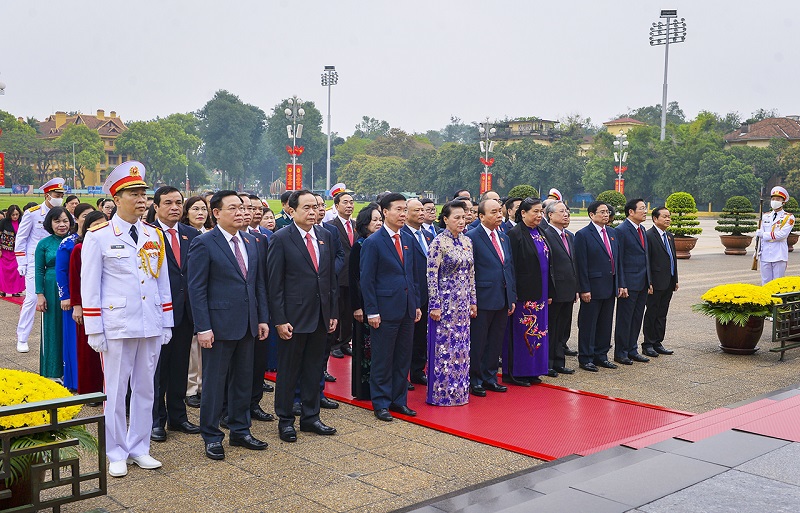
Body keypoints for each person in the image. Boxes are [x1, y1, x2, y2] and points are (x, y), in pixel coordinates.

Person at [81, 161, 174, 477]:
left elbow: (162, 281)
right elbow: (90, 285)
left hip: (150, 323)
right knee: (117, 390)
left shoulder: (152, 234)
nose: (141, 200)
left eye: (143, 193)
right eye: (133, 193)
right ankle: (116, 451)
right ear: (116, 198)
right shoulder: (100, 236)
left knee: (146, 389)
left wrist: (167, 321)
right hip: (117, 325)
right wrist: (94, 328)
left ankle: (139, 447)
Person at [188, 190, 270, 460]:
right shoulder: (205, 243)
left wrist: (261, 318)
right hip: (218, 326)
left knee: (243, 381)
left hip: (247, 324)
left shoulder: (250, 241)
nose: (240, 213)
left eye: (242, 208)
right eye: (233, 208)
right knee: (214, 383)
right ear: (216, 213)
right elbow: (196, 289)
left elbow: (257, 284)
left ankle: (240, 429)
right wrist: (203, 327)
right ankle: (211, 435)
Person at [267, 189, 338, 443]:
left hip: (320, 315)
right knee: (289, 371)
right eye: (306, 208)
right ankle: (286, 420)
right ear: (291, 210)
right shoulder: (281, 238)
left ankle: (311, 417)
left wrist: (332, 313)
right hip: (293, 318)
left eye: (315, 207)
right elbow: (274, 284)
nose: (312, 212)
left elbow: (329, 278)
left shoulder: (326, 236)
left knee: (313, 368)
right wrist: (279, 319)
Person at [361, 193, 422, 422]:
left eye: (405, 209)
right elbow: (367, 280)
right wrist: (372, 311)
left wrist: (415, 304)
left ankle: (399, 400)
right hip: (384, 310)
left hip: (406, 308)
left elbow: (413, 275)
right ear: (385, 212)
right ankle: (381, 403)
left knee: (402, 357)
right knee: (383, 358)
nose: (402, 214)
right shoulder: (373, 242)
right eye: (398, 209)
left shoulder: (407, 239)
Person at [150, 187, 202, 443]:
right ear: (156, 207)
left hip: (185, 312)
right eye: (168, 203)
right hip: (158, 313)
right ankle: (156, 420)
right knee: (159, 369)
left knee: (180, 366)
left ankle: (179, 417)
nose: (174, 207)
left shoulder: (192, 234)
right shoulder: (147, 234)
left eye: (178, 203)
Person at [426, 200, 475, 405]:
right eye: (457, 217)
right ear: (445, 219)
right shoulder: (438, 242)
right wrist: (434, 304)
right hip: (445, 304)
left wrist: (473, 300)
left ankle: (460, 392)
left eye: (463, 217)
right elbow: (431, 275)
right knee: (444, 348)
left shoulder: (467, 241)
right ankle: (442, 393)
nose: (461, 221)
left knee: (462, 348)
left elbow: (472, 273)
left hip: (463, 305)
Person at [465, 198, 515, 394]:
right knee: (479, 341)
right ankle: (475, 379)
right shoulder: (472, 237)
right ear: (481, 216)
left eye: (499, 211)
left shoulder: (504, 237)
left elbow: (508, 268)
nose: (498, 215)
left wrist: (511, 296)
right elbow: (469, 271)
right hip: (482, 297)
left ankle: (490, 377)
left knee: (495, 340)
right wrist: (472, 300)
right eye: (493, 212)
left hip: (502, 297)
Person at [15, 177, 66, 353]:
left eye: (61, 194)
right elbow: (21, 239)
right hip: (33, 262)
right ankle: (22, 337)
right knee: (31, 299)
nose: (60, 197)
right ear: (47, 195)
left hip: (55, 262)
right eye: (56, 194)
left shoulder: (62, 214)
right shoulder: (33, 213)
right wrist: (21, 262)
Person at [505, 198, 550, 385]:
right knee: (522, 331)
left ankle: (534, 370)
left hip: (541, 291)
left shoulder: (540, 232)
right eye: (535, 212)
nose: (539, 215)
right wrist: (513, 294)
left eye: (541, 212)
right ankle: (517, 372)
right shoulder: (514, 234)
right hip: (524, 294)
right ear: (523, 213)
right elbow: (510, 266)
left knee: (539, 331)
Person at [574, 201, 619, 373]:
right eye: (602, 212)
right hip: (592, 287)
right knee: (588, 324)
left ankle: (601, 355)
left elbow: (616, 260)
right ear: (592, 215)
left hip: (609, 286)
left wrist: (619, 284)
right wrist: (584, 288)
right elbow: (581, 264)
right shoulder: (583, 235)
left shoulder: (612, 233)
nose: (606, 215)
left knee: (605, 323)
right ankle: (586, 357)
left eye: (607, 212)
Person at [55, 203, 95, 390]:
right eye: (84, 216)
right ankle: (75, 380)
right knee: (74, 340)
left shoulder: (97, 240)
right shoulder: (68, 243)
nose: (87, 219)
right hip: (74, 299)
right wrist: (66, 296)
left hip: (93, 298)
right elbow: (61, 271)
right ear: (77, 219)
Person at [69, 210, 107, 397]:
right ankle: (90, 391)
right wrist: (78, 306)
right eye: (96, 225)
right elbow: (75, 279)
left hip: (108, 305)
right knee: (88, 350)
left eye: (104, 224)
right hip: (87, 306)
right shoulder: (79, 249)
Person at [36, 207, 74, 381]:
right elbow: (38, 270)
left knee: (71, 329)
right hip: (51, 289)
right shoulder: (44, 244)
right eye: (57, 221)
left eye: (65, 221)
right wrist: (40, 294)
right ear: (50, 223)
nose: (62, 225)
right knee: (52, 329)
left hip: (72, 285)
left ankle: (71, 372)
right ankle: (52, 371)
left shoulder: (75, 240)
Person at [350, 203, 383, 399]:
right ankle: (363, 389)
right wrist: (356, 306)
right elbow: (354, 277)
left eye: (380, 219)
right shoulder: (360, 244)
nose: (378, 223)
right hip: (363, 303)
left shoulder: (382, 242)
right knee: (364, 346)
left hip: (380, 301)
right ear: (365, 223)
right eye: (374, 220)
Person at [181, 195, 211, 409]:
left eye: (203, 209)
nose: (200, 213)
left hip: (211, 296)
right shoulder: (184, 235)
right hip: (190, 296)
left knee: (206, 346)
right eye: (195, 209)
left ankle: (203, 385)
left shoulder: (211, 235)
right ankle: (191, 388)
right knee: (192, 346)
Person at [614, 198, 652, 366]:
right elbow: (619, 259)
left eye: (645, 208)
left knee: (637, 318)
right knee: (625, 318)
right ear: (631, 211)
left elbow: (646, 258)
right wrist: (621, 283)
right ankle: (620, 352)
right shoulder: (621, 230)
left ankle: (632, 349)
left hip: (642, 282)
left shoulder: (642, 229)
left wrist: (649, 281)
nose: (645, 211)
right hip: (628, 283)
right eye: (642, 208)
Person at [542, 201, 578, 375]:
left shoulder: (569, 236)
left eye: (567, 212)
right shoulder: (545, 234)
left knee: (563, 328)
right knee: (552, 328)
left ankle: (559, 361)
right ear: (550, 215)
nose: (566, 214)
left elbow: (573, 263)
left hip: (568, 290)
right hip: (554, 291)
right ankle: (547, 363)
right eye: (562, 211)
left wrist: (576, 288)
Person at [402, 198, 434, 387]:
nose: (422, 213)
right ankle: (403, 374)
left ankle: (417, 370)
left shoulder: (429, 236)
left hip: (428, 292)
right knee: (409, 337)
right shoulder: (404, 235)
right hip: (412, 292)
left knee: (422, 335)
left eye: (423, 210)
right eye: (417, 210)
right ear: (406, 213)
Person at [643, 207, 677, 358]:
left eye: (669, 216)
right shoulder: (649, 236)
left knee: (662, 313)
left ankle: (658, 342)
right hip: (655, 283)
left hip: (668, 281)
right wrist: (648, 282)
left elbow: (673, 259)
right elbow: (647, 261)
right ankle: (648, 344)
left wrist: (675, 279)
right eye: (664, 216)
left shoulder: (669, 236)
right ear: (655, 219)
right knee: (652, 312)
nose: (668, 219)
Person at [326, 191, 356, 359]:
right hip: (338, 275)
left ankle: (345, 342)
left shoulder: (357, 224)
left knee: (349, 313)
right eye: (345, 202)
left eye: (351, 202)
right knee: (337, 311)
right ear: (336, 206)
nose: (349, 205)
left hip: (352, 277)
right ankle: (334, 344)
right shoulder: (331, 226)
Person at [758, 186, 795, 284]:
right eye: (773, 199)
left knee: (778, 283)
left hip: (779, 255)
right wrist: (757, 251)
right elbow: (760, 237)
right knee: (765, 282)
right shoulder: (765, 216)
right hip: (765, 254)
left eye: (778, 199)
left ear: (783, 202)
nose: (774, 201)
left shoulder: (788, 217)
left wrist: (764, 235)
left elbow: (782, 235)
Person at [0, 205, 25, 297]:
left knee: (16, 270)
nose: (15, 217)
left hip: (18, 250)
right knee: (4, 271)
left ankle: (16, 290)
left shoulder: (22, 222)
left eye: (17, 214)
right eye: (13, 215)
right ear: (9, 214)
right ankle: (3, 289)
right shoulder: (3, 222)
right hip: (5, 251)